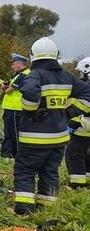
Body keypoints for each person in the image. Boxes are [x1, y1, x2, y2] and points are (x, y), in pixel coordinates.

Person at [13, 38, 90, 215]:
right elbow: (87, 96)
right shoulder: (67, 76)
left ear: (33, 55)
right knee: (50, 172)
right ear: (55, 55)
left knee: (25, 171)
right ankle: (46, 207)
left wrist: (32, 109)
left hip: (34, 137)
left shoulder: (36, 74)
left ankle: (24, 210)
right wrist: (68, 112)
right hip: (59, 137)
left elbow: (30, 93)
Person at [65, 57, 90, 188]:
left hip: (82, 131)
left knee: (74, 155)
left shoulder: (86, 89)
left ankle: (77, 185)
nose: (80, 76)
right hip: (84, 129)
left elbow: (83, 109)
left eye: (81, 73)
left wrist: (72, 123)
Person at [0, 54, 30, 158]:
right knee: (9, 132)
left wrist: (4, 88)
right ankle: (8, 153)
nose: (12, 66)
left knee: (14, 133)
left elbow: (9, 90)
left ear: (18, 63)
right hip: (11, 108)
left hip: (15, 108)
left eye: (13, 64)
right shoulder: (18, 74)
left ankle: (15, 154)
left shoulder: (24, 75)